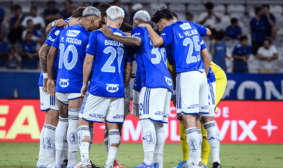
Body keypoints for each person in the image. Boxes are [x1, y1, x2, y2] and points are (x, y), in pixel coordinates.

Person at [140, 7, 212, 168]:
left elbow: (157, 41)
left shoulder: (170, 29)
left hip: (187, 75)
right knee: (197, 118)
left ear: (162, 22)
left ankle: (194, 161)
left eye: (158, 26)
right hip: (201, 74)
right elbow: (207, 32)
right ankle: (197, 160)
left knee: (187, 118)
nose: (159, 29)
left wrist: (148, 27)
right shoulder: (191, 24)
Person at [101, 10, 173, 168]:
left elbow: (136, 41)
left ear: (135, 23)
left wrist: (113, 36)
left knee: (146, 121)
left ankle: (147, 162)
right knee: (159, 124)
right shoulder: (158, 38)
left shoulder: (140, 29)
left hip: (152, 82)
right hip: (166, 83)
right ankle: (157, 163)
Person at [76, 6, 132, 168]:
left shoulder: (97, 35)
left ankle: (85, 160)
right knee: (113, 125)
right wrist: (123, 85)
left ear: (105, 19)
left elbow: (88, 61)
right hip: (118, 88)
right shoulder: (125, 39)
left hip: (98, 86)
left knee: (83, 122)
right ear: (121, 22)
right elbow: (128, 69)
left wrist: (84, 83)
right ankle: (109, 163)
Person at [37, 7, 91, 168]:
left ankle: (57, 160)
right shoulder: (63, 27)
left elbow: (48, 29)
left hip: (60, 80)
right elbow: (43, 52)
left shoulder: (64, 27)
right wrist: (47, 78)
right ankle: (45, 160)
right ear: (82, 19)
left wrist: (52, 23)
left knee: (62, 121)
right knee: (53, 119)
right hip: (52, 81)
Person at [47, 6, 101, 168]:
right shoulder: (89, 36)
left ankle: (58, 162)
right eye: (98, 21)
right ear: (92, 19)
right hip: (76, 85)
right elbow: (88, 61)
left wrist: (50, 78)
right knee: (73, 123)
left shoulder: (64, 31)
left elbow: (50, 53)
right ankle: (71, 162)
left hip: (61, 84)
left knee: (62, 122)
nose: (98, 24)